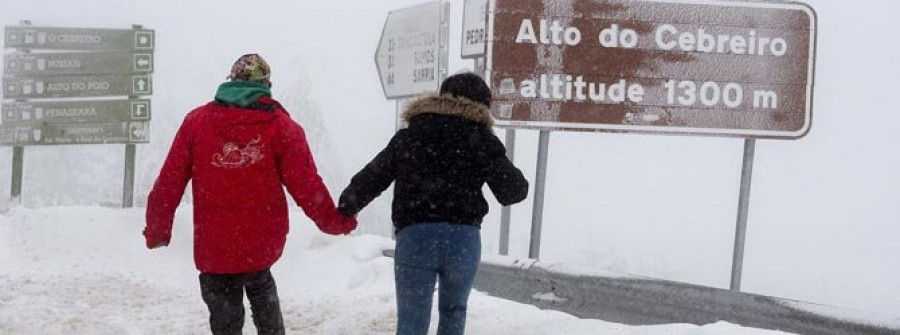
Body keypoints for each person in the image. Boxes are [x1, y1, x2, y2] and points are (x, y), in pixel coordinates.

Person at [144, 53, 356, 335]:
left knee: (225, 320)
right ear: (266, 84)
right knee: (263, 296)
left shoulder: (197, 123)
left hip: (214, 245)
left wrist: (157, 230)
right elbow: (307, 185)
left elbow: (168, 182)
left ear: (231, 81)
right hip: (260, 243)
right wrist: (334, 221)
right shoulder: (282, 128)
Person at [338, 72, 529, 335]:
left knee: (412, 320)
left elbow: (373, 176)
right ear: (482, 105)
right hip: (463, 240)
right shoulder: (480, 139)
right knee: (454, 312)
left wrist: (346, 208)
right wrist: (486, 150)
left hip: (416, 236)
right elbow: (514, 191)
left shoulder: (410, 136)